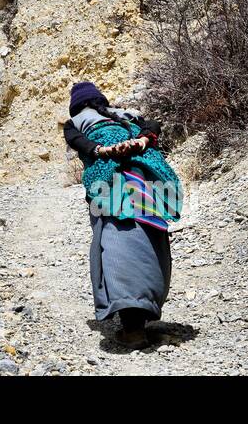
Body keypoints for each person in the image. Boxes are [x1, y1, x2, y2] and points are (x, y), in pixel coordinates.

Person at [63, 80, 182, 348]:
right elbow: (153, 126)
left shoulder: (75, 123)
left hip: (109, 187)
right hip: (146, 183)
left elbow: (80, 143)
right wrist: (140, 141)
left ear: (75, 106)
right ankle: (144, 309)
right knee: (149, 238)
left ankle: (132, 328)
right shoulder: (125, 115)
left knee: (118, 243)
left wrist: (103, 151)